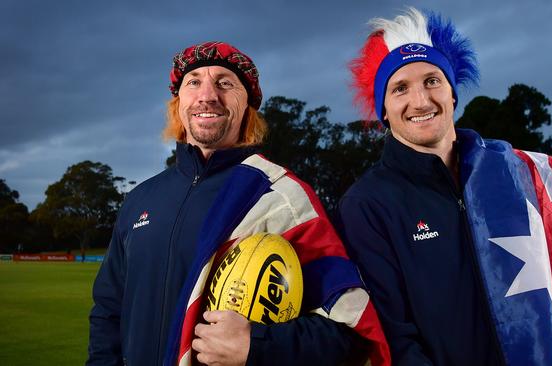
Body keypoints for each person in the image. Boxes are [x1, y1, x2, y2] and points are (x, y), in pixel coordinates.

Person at [87, 41, 389, 366]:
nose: (207, 95)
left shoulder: (280, 196)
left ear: (247, 106)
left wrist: (256, 347)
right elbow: (108, 311)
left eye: (225, 83)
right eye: (194, 82)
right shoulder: (140, 201)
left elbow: (349, 334)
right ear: (178, 103)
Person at [337, 8, 552, 365]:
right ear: (383, 109)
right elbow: (394, 339)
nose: (420, 101)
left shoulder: (517, 174)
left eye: (432, 81)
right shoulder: (366, 203)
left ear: (452, 93)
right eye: (400, 88)